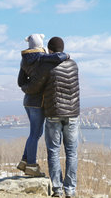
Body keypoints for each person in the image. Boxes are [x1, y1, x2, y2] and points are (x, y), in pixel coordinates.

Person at [21, 37, 80, 198]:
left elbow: (34, 87)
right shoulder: (74, 64)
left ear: (50, 50)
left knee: (53, 152)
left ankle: (58, 190)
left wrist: (24, 87)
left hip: (54, 114)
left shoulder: (48, 66)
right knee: (72, 153)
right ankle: (70, 190)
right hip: (73, 115)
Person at [17, 34, 68, 177]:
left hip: (28, 101)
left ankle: (25, 161)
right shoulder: (41, 57)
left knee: (34, 133)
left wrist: (30, 89)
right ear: (41, 44)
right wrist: (67, 55)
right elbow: (58, 57)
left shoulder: (24, 60)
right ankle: (32, 167)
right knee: (35, 134)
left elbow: (20, 82)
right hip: (38, 103)